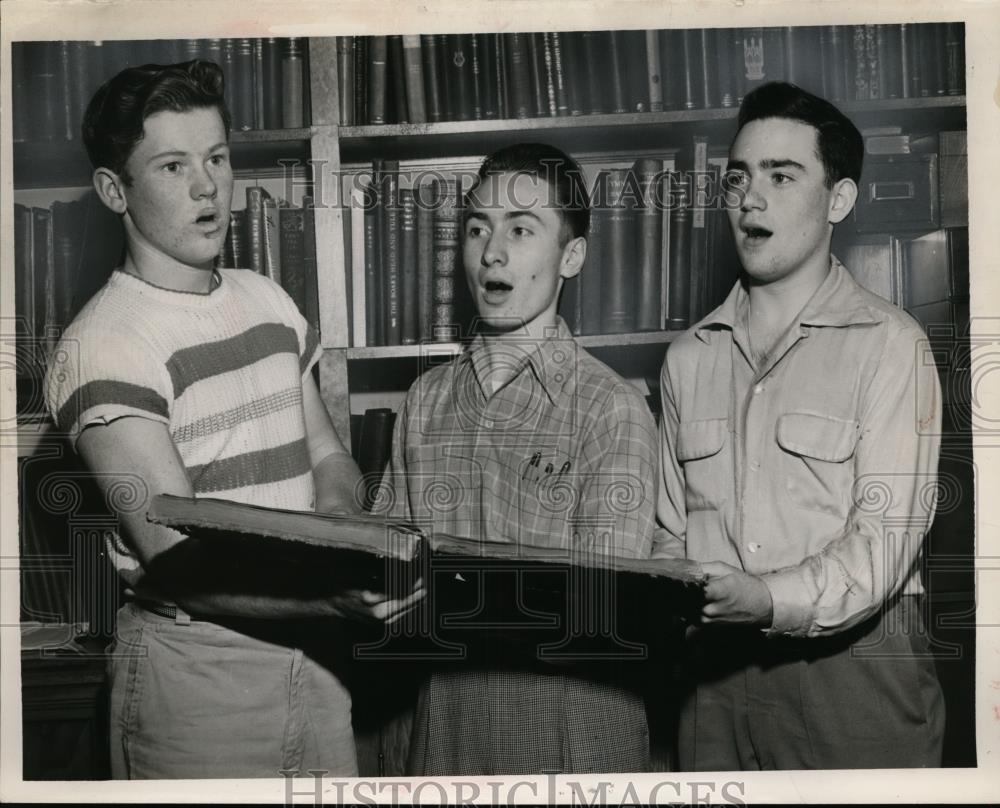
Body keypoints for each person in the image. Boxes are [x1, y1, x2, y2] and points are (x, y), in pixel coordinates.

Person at [43, 60, 417, 779]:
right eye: (173, 166)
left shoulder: (267, 299)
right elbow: (177, 559)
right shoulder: (105, 344)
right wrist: (326, 589)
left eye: (216, 157)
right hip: (198, 677)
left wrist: (338, 539)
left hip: (316, 659)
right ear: (113, 190)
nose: (208, 186)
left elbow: (328, 454)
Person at [654, 81, 946, 769]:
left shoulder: (890, 344)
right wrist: (677, 583)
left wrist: (764, 598)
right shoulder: (687, 358)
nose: (750, 199)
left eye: (782, 176)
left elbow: (882, 549)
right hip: (715, 688)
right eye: (738, 177)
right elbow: (668, 530)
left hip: (855, 686)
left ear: (838, 200)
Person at [376, 143, 659, 775]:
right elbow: (388, 568)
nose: (492, 252)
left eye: (522, 229)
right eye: (478, 227)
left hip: (569, 741)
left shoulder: (610, 408)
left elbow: (603, 612)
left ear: (572, 257)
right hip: (442, 734)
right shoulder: (425, 400)